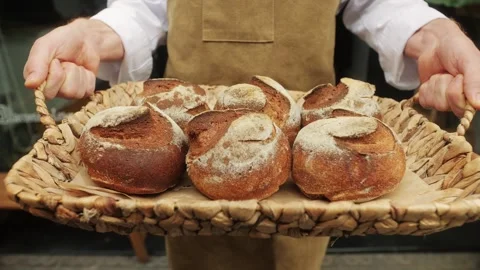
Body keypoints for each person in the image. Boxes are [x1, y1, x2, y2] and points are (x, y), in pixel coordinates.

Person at [23, 1, 480, 269]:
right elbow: (141, 9)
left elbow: (382, 4)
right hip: (188, 171)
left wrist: (435, 34)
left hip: (309, 160)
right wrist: (89, 33)